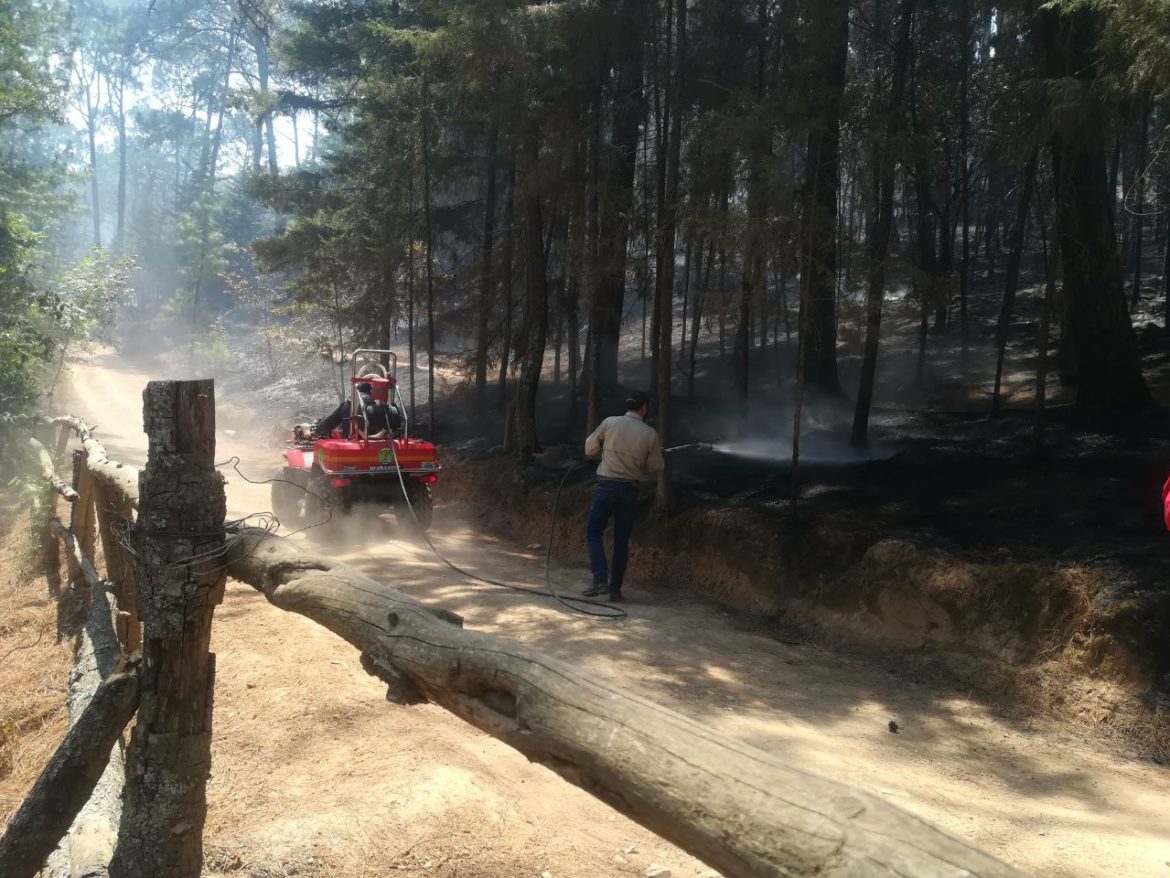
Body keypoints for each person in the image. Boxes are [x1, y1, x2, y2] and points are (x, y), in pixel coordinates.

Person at [581, 389, 664, 602]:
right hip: (629, 490)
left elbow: (590, 449)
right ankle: (615, 590)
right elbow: (655, 466)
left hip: (606, 486)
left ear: (629, 405)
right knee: (621, 540)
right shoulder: (650, 434)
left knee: (593, 532)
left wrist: (604, 452)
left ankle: (600, 581)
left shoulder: (610, 423)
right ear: (644, 407)